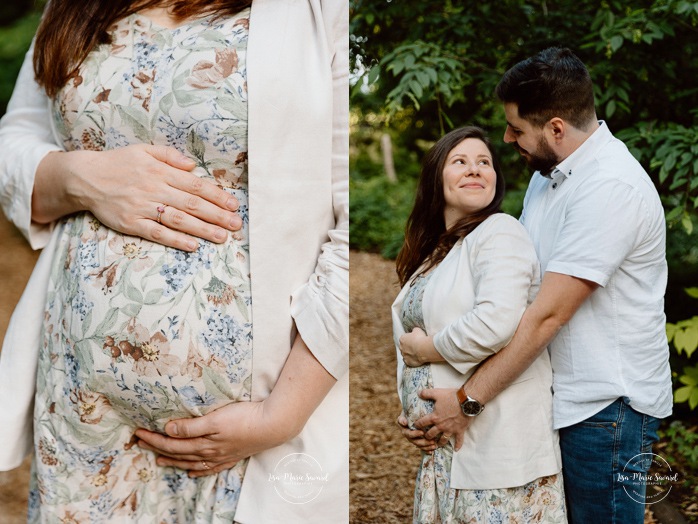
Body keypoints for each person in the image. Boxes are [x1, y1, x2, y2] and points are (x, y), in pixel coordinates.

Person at [0, 1, 349, 522]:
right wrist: (79, 178)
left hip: (245, 428)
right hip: (81, 415)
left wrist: (284, 414)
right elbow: (15, 139)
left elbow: (349, 219)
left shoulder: (320, 10)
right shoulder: (73, 4)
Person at [400, 48, 673, 523]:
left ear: (555, 129)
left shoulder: (610, 188)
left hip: (606, 411)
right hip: (556, 403)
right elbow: (510, 295)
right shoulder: (547, 181)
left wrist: (464, 402)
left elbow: (547, 315)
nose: (507, 139)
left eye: (516, 129)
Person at [393, 126, 565, 523]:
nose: (474, 169)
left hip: (497, 448)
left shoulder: (500, 231)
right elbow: (408, 339)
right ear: (436, 177)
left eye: (483, 162)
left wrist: (427, 349)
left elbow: (495, 322)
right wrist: (412, 415)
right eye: (460, 161)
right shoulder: (438, 250)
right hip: (446, 451)